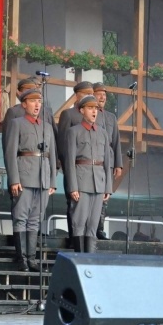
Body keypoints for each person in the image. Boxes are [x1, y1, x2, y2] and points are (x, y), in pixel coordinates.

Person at [4, 87, 57, 271]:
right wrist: (14, 179)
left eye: (39, 102)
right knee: (21, 217)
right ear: (24, 104)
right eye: (33, 101)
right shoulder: (16, 123)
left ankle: (31, 259)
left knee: (35, 219)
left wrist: (52, 181)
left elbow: (52, 155)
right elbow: (10, 153)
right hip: (24, 176)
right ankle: (21, 259)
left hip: (42, 177)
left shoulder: (47, 126)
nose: (37, 105)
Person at [64, 95, 112, 253]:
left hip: (99, 182)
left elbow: (107, 162)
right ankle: (79, 259)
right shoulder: (74, 132)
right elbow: (69, 161)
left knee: (92, 224)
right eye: (90, 108)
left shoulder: (103, 133)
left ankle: (89, 259)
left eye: (96, 108)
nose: (94, 111)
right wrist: (72, 187)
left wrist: (108, 188)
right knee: (79, 223)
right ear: (81, 110)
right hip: (81, 181)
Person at [57, 81, 94, 244]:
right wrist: (66, 166)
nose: (88, 96)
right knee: (74, 204)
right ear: (77, 95)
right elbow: (63, 143)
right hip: (73, 167)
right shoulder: (69, 114)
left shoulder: (92, 116)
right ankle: (74, 236)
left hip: (89, 171)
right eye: (85, 93)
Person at [93, 82, 123, 240]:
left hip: (109, 159)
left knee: (105, 196)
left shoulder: (111, 116)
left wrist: (118, 163)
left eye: (104, 94)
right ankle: (92, 228)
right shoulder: (91, 114)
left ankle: (100, 228)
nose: (102, 96)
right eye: (99, 93)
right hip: (96, 158)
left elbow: (117, 141)